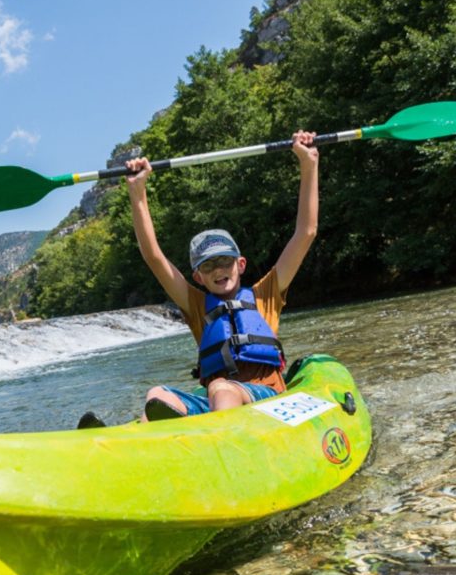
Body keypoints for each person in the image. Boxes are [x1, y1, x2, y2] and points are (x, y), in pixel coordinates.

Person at [122, 129, 320, 421]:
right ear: (198, 277)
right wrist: (137, 193)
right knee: (157, 395)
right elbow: (153, 256)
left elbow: (306, 232)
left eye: (224, 261)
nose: (218, 270)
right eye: (208, 266)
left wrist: (309, 164)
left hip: (265, 397)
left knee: (221, 388)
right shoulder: (196, 305)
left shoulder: (267, 293)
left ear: (240, 264)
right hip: (218, 398)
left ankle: (218, 443)